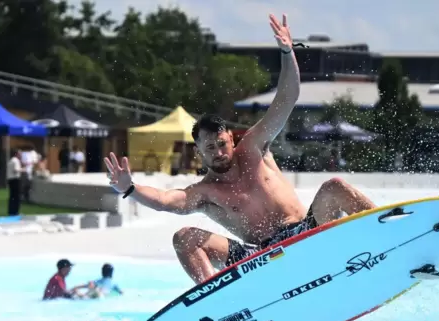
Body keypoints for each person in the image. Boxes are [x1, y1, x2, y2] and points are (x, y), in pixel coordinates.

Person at [103, 14, 377, 285]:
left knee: (334, 187)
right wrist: (130, 188)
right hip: (261, 257)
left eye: (221, 143)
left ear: (231, 140)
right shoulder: (204, 193)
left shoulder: (254, 147)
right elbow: (164, 200)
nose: (218, 151)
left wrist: (286, 52)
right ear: (199, 152)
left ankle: (391, 235)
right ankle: (216, 300)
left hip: (305, 234)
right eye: (210, 147)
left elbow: (287, 99)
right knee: (184, 238)